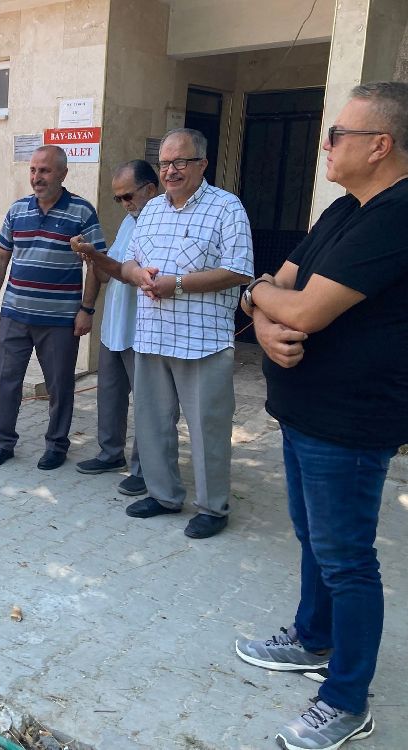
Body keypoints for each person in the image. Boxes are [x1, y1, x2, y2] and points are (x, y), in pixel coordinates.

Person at [234, 82, 408, 750]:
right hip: (304, 412)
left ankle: (345, 700)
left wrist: (269, 303)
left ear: (380, 144)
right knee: (314, 538)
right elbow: (275, 283)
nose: (325, 145)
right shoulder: (343, 210)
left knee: (348, 560)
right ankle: (313, 637)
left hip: (351, 422)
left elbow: (303, 309)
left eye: (337, 134)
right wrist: (261, 313)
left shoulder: (397, 215)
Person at [117, 128, 253, 539]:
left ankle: (213, 507)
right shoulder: (151, 211)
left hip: (203, 341)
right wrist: (138, 275)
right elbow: (128, 264)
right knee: (153, 422)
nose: (170, 170)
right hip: (152, 336)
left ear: (202, 164)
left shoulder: (226, 207)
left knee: (208, 427)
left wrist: (176, 284)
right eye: (164, 163)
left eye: (180, 161)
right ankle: (163, 495)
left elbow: (239, 270)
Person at [0, 144, 106, 471]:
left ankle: (56, 444)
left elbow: (97, 263)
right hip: (14, 315)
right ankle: (3, 443)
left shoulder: (82, 212)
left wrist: (87, 309)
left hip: (60, 320)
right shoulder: (17, 210)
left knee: (59, 386)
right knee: (8, 382)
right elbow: (1, 257)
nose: (37, 177)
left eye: (45, 171)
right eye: (33, 170)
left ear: (63, 173)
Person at [72, 160, 161, 497]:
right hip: (115, 326)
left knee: (148, 405)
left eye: (127, 196)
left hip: (144, 331)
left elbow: (134, 275)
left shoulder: (161, 223)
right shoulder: (129, 221)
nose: (124, 204)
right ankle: (110, 454)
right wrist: (92, 258)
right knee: (109, 396)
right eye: (118, 198)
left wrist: (97, 257)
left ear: (150, 189)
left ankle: (145, 470)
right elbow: (111, 273)